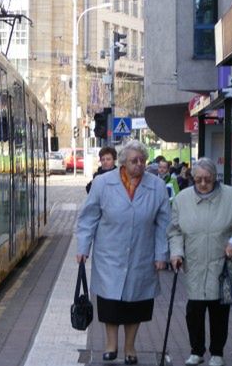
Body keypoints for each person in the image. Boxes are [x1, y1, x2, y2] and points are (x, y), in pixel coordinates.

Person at [76, 140, 170, 365]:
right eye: (134, 161)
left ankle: (130, 347)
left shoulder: (156, 186)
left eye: (142, 161)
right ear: (123, 162)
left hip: (142, 253)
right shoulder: (102, 183)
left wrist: (161, 255)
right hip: (110, 254)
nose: (139, 165)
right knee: (110, 303)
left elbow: (164, 223)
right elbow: (88, 217)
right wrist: (83, 248)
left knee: (135, 304)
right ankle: (111, 345)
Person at [168, 158, 232, 366]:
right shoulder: (182, 199)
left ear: (216, 178)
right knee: (194, 311)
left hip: (222, 263)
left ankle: (217, 352)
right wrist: (176, 253)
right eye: (198, 180)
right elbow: (175, 231)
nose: (203, 184)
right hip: (195, 264)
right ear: (192, 178)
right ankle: (196, 351)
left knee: (219, 310)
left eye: (208, 179)